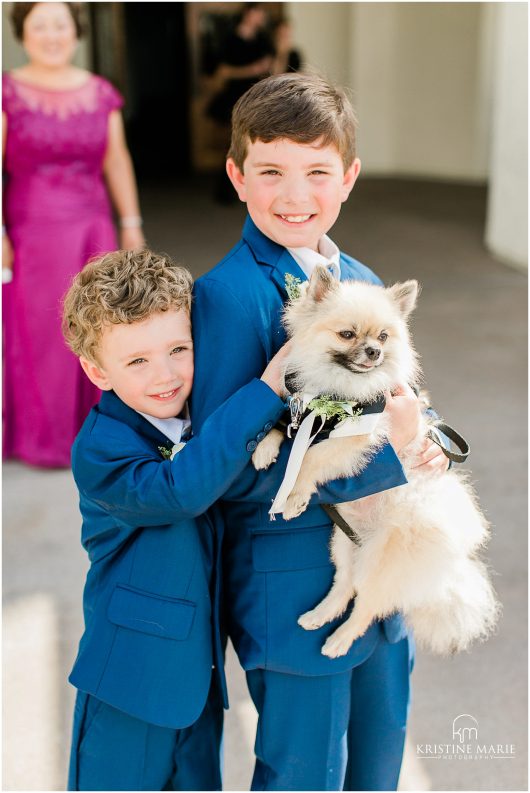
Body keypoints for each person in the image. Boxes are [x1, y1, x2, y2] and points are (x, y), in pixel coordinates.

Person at [191, 73, 449, 791]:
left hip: (379, 578)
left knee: (376, 764)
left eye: (317, 173)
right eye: (271, 172)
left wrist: (421, 437)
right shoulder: (227, 294)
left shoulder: (360, 278)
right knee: (306, 774)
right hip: (292, 586)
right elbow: (229, 468)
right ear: (238, 176)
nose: (295, 195)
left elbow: (387, 395)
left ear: (349, 179)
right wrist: (388, 459)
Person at [61, 247, 290, 790]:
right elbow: (179, 491)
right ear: (97, 371)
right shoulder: (101, 449)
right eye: (136, 361)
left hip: (198, 682)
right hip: (131, 680)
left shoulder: (201, 417)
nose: (164, 375)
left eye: (178, 349)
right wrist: (266, 391)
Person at [2, 2, 144, 468]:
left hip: (93, 228)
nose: (51, 34)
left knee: (100, 326)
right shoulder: (7, 91)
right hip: (32, 230)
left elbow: (117, 160)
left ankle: (100, 431)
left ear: (76, 31)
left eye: (60, 24)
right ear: (22, 33)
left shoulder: (101, 92)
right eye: (39, 25)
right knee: (41, 332)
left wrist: (131, 223)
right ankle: (43, 438)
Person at [206, 2, 273, 203]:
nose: (261, 16)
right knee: (232, 144)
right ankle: (225, 191)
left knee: (252, 146)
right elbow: (222, 72)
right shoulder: (230, 39)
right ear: (248, 13)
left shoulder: (263, 39)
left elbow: (269, 65)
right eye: (258, 12)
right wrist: (250, 70)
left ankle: (248, 190)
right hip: (233, 97)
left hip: (255, 98)